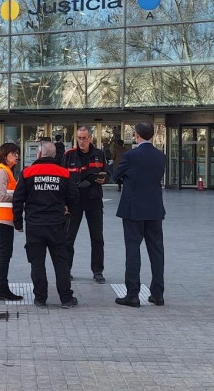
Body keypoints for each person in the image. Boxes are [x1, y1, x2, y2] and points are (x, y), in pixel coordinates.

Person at [12, 141, 78, 308]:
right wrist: (66, 208)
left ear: (39, 155)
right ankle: (66, 298)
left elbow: (18, 199)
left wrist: (18, 222)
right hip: (57, 224)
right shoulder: (63, 173)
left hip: (34, 224)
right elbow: (74, 198)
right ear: (54, 156)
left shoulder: (27, 173)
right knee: (61, 262)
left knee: (37, 263)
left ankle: (40, 298)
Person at [113, 121, 167, 307]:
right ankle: (158, 293)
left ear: (136, 135)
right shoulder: (161, 156)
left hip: (133, 208)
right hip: (154, 208)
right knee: (156, 251)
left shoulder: (131, 155)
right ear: (152, 135)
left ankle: (133, 294)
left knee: (133, 250)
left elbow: (115, 175)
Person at [62, 126, 109, 283]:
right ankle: (66, 269)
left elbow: (107, 172)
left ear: (90, 138)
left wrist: (104, 178)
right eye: (79, 138)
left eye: (84, 138)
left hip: (94, 200)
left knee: (97, 238)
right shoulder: (68, 155)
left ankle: (98, 271)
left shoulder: (99, 154)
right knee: (69, 237)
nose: (81, 141)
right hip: (74, 202)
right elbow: (62, 178)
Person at [0, 143, 24, 300]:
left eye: (17, 154)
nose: (16, 157)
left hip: (1, 217)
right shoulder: (2, 171)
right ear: (5, 154)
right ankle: (2, 288)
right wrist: (20, 196)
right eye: (13, 154)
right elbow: (1, 196)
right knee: (4, 253)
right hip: (2, 217)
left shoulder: (4, 170)